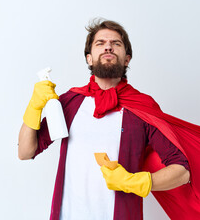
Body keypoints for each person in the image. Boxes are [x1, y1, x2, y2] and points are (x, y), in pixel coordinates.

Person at [18, 19, 190, 220]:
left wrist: (135, 182)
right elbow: (25, 151)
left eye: (116, 43)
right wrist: (33, 108)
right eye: (100, 43)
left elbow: (182, 170)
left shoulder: (142, 106)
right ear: (89, 58)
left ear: (127, 59)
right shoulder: (70, 102)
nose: (108, 46)